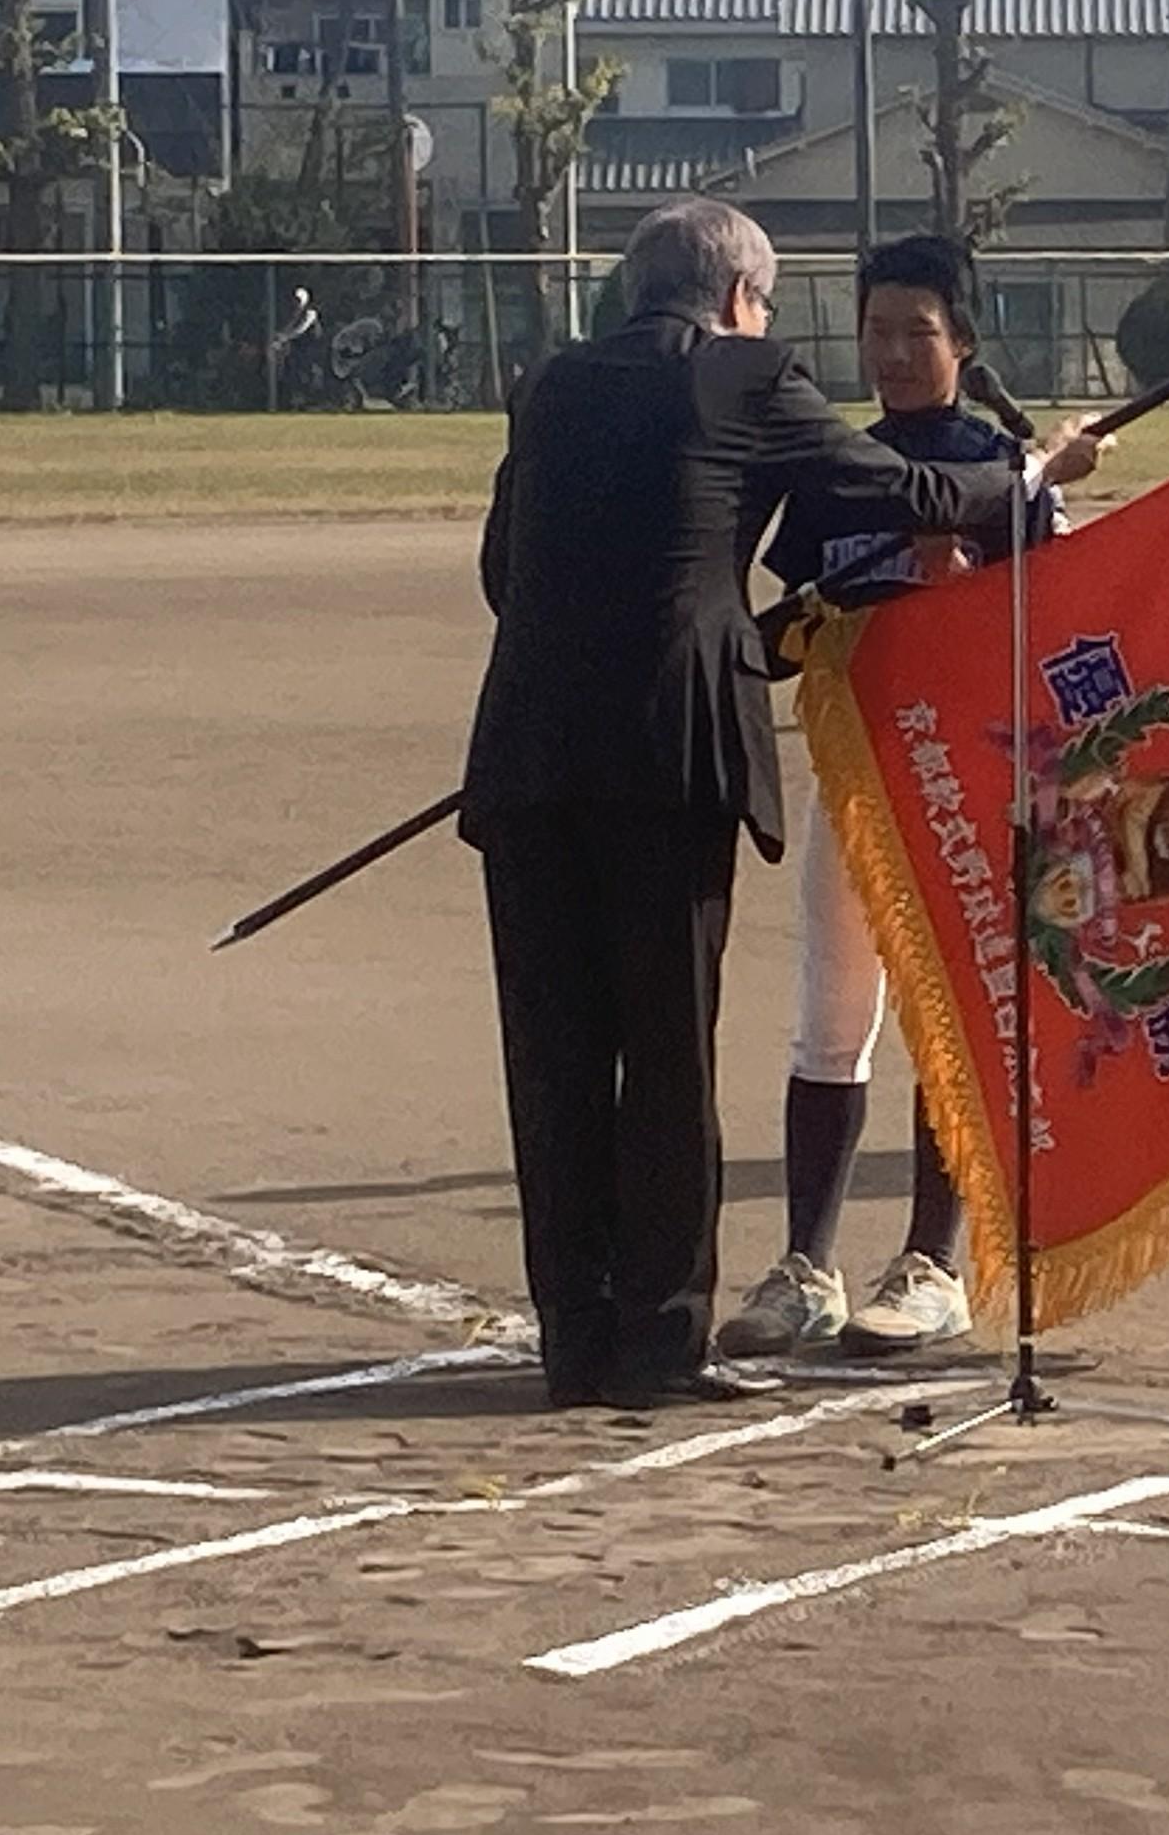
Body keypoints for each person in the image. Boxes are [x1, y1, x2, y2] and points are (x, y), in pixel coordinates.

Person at [460, 199, 1097, 1410]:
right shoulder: (743, 377)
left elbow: (506, 571)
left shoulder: (547, 386)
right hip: (664, 759)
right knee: (659, 1048)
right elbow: (894, 481)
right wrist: (1029, 473)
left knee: (550, 1056)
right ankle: (658, 1333)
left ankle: (575, 1330)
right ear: (740, 297)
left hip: (529, 754)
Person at [719, 234, 1063, 1366]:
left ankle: (931, 1262)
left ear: (963, 341)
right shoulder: (837, 465)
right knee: (830, 1013)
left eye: (918, 331)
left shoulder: (1007, 475)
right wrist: (821, 614)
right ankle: (806, 1264)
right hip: (858, 771)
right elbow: (776, 630)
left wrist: (972, 588)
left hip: (968, 786)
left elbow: (1057, 635)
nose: (896, 353)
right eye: (877, 331)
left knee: (945, 1017)